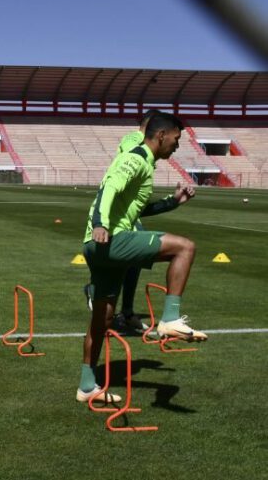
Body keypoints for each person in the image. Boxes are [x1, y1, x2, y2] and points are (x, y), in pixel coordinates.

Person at [77, 112, 203, 404]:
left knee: (103, 318)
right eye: (176, 139)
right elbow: (108, 187)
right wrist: (100, 223)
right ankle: (170, 318)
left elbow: (135, 210)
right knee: (185, 247)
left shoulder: (145, 163)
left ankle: (86, 386)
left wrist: (173, 202)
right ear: (161, 136)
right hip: (110, 239)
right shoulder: (136, 157)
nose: (177, 146)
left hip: (101, 246)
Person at [83, 108, 163, 336]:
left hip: (127, 212)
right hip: (117, 214)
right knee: (131, 254)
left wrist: (171, 202)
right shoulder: (134, 141)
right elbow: (122, 173)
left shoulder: (146, 152)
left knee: (131, 261)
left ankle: (123, 310)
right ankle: (119, 307)